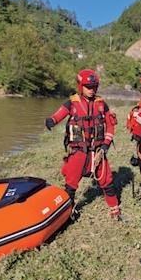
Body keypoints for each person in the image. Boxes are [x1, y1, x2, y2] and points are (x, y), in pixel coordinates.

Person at [45, 69, 126, 221]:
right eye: (88, 87)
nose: (91, 90)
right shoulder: (72, 103)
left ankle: (115, 211)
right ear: (80, 86)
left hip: (98, 151)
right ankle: (68, 213)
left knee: (107, 180)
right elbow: (58, 115)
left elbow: (110, 125)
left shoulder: (102, 104)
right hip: (79, 150)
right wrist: (51, 121)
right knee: (71, 183)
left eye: (94, 87)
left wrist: (105, 145)